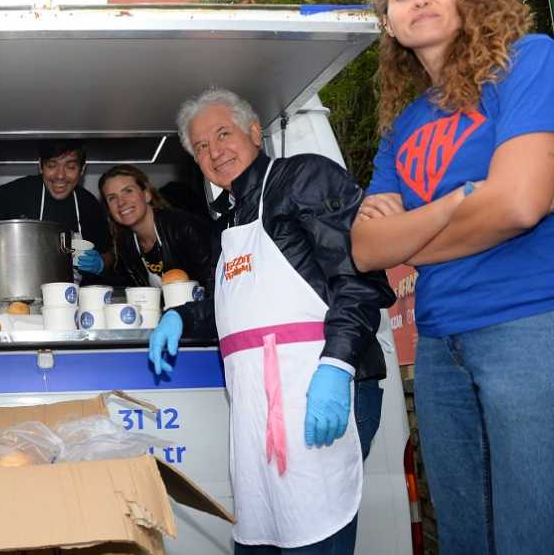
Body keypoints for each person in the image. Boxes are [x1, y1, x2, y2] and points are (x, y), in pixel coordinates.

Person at [353, 0, 554, 552]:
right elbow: (365, 249)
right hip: (440, 346)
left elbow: (520, 204)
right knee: (463, 537)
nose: (421, 0)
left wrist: (412, 237)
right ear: (389, 21)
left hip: (526, 326)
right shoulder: (403, 125)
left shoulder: (529, 63)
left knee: (530, 533)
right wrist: (453, 205)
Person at [148, 88, 395, 554]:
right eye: (200, 146)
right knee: (262, 538)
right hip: (257, 410)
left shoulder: (303, 177)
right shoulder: (230, 216)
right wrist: (183, 317)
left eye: (223, 134)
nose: (214, 151)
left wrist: (337, 366)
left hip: (321, 390)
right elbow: (240, 304)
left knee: (314, 537)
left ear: (255, 131)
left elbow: (360, 276)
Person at [0, 141, 112, 280]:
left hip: (71, 301)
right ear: (40, 166)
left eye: (70, 167)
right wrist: (3, 246)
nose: (60, 176)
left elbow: (110, 255)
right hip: (19, 294)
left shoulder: (88, 204)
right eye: (52, 165)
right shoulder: (20, 191)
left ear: (82, 170)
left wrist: (101, 263)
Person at [98, 164, 213, 291]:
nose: (121, 202)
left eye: (128, 191)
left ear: (147, 194)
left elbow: (214, 286)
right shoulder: (126, 245)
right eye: (112, 198)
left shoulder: (185, 228)